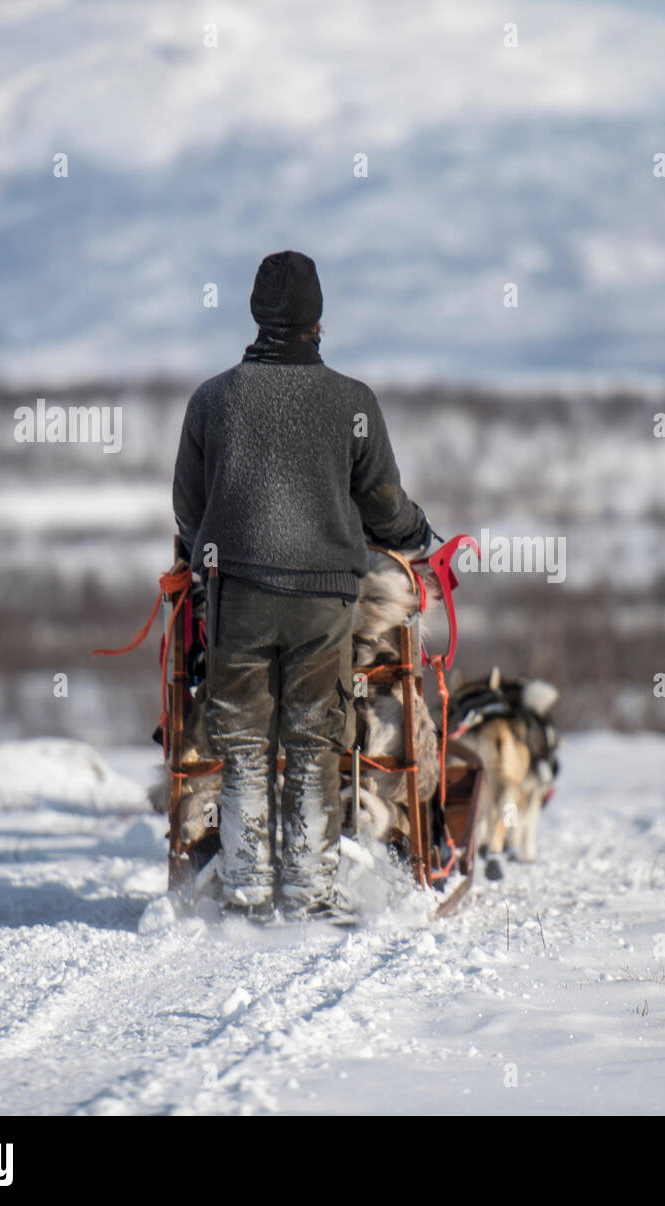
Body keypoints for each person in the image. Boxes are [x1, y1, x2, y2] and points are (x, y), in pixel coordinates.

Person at [172, 250, 431, 922]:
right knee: (317, 735)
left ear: (257, 314)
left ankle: (246, 885)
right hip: (324, 601)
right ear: (318, 321)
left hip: (237, 596)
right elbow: (382, 505)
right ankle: (306, 888)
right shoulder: (353, 402)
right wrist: (414, 532)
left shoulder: (213, 399)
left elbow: (188, 509)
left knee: (242, 740)